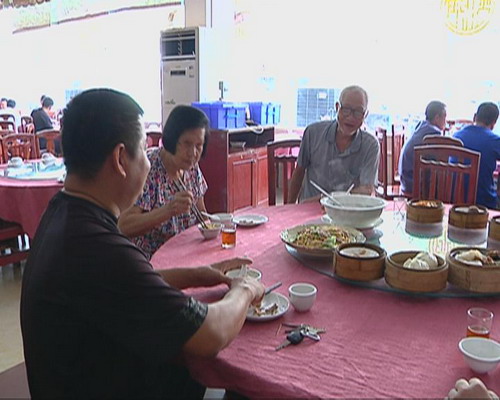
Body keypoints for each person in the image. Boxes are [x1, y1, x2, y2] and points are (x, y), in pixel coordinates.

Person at [20, 88, 265, 399]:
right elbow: (212, 333)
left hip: (80, 377)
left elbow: (129, 283)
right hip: (118, 387)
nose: (148, 164)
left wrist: (204, 273)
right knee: (246, 385)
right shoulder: (99, 248)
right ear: (121, 159)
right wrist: (245, 290)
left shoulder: (63, 212)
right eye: (142, 150)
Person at [119, 105, 210, 259]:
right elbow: (123, 226)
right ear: (172, 139)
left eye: (199, 146)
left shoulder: (192, 168)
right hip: (149, 260)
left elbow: (201, 213)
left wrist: (213, 228)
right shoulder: (148, 168)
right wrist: (169, 210)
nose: (192, 153)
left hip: (184, 253)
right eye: (187, 144)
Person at [288, 85, 380, 203]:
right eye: (346, 109)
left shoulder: (371, 145)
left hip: (348, 209)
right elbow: (298, 173)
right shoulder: (313, 133)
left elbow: (367, 189)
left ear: (365, 115)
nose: (350, 117)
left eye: (358, 112)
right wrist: (289, 207)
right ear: (337, 108)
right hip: (311, 206)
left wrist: (333, 200)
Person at [453, 102, 500, 209]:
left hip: (453, 199)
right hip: (482, 203)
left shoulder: (456, 136)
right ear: (493, 123)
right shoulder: (495, 141)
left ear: (474, 117)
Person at [398, 100, 447, 195]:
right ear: (437, 118)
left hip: (406, 179)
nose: (446, 121)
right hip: (415, 184)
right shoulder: (433, 133)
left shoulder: (423, 127)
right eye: (445, 117)